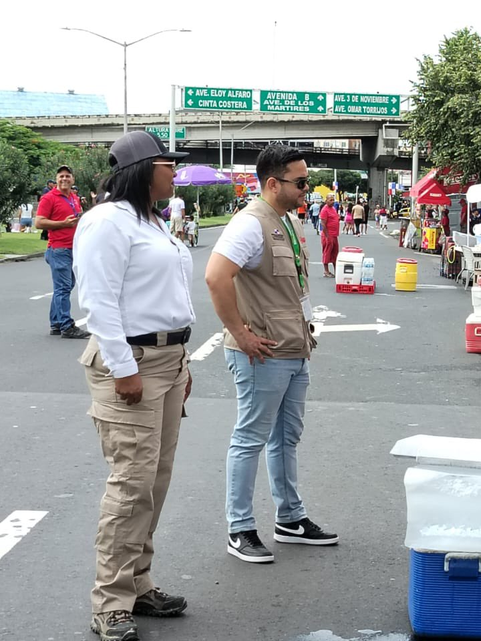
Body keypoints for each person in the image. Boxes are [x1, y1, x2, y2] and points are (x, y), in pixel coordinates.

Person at [73, 130, 194, 641]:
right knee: (130, 486)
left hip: (166, 360)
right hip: (132, 362)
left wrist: (182, 362)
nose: (175, 172)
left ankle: (139, 584)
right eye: (169, 164)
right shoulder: (106, 222)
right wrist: (124, 368)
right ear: (142, 169)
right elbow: (98, 303)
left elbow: (165, 293)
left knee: (155, 480)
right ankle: (111, 603)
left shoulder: (153, 222)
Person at [205, 145, 337, 565]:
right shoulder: (249, 224)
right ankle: (240, 527)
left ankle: (290, 519)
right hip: (262, 352)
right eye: (300, 182)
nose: (307, 190)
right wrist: (240, 334)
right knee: (250, 439)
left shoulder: (288, 222)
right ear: (272, 183)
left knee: (286, 439)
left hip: (294, 348)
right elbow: (215, 277)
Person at [34, 165, 91, 339]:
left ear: (73, 179)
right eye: (61, 176)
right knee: (63, 288)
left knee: (64, 287)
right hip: (58, 248)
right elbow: (39, 222)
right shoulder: (48, 198)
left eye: (67, 176)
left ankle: (56, 323)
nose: (64, 179)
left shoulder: (73, 197)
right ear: (56, 180)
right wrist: (63, 224)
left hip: (72, 248)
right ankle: (67, 326)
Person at [319, 194, 339, 278]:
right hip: (328, 235)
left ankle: (336, 271)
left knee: (335, 253)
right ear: (326, 200)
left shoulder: (333, 208)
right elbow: (323, 224)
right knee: (327, 252)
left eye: (333, 200)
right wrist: (327, 236)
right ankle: (326, 271)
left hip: (334, 235)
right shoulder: (324, 210)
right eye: (330, 200)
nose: (332, 201)